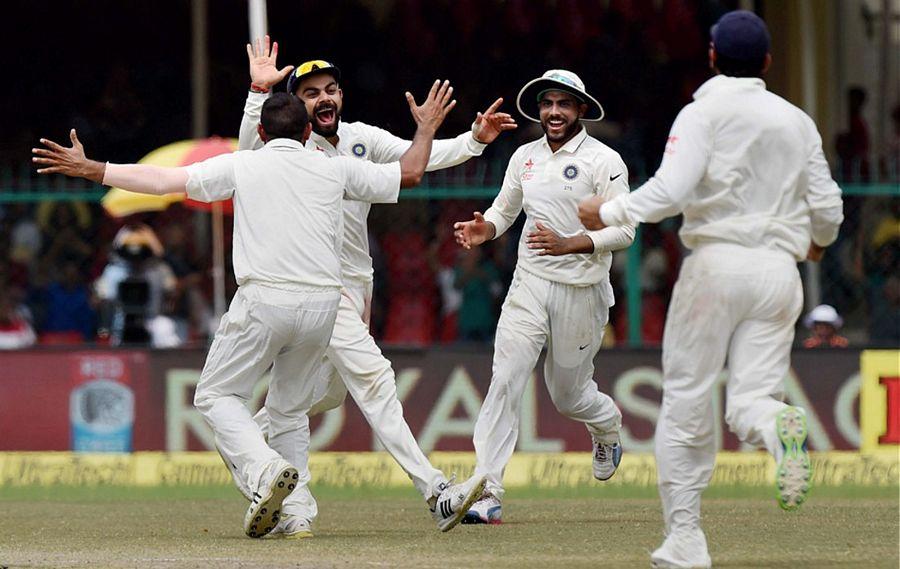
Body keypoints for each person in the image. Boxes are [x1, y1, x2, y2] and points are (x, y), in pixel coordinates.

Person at [32, 85, 486, 537]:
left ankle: (265, 469)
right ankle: (296, 514)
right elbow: (409, 172)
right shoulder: (334, 168)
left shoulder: (244, 163)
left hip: (265, 299)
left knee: (215, 396)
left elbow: (162, 181)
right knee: (288, 412)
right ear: (308, 130)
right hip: (324, 304)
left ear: (262, 134)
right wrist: (425, 129)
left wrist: (94, 169)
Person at [577, 11, 844, 568]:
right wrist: (816, 242)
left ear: (713, 56)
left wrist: (607, 209)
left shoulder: (703, 111)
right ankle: (779, 427)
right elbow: (829, 209)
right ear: (767, 63)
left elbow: (671, 191)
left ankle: (686, 538)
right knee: (751, 401)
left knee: (686, 401)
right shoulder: (796, 121)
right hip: (779, 272)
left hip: (717, 265)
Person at [233, 36, 516, 536]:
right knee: (375, 382)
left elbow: (416, 160)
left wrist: (475, 140)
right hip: (316, 282)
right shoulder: (285, 148)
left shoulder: (361, 138)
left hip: (355, 285)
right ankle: (436, 492)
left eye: (332, 90)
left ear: (341, 96)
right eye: (311, 92)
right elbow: (247, 149)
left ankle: (251, 453)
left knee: (324, 397)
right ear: (294, 104)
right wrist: (258, 90)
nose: (324, 99)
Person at [453, 69, 634, 524]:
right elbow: (504, 209)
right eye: (547, 103)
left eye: (564, 104)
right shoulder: (525, 157)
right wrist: (485, 229)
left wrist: (570, 243)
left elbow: (625, 230)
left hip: (582, 289)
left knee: (568, 397)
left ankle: (607, 426)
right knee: (505, 378)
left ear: (581, 111)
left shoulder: (604, 160)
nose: (554, 112)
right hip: (530, 283)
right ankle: (487, 491)